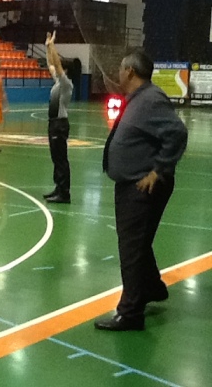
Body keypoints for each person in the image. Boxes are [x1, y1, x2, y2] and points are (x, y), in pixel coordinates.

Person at [94, 52, 188, 332]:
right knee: (139, 244)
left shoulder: (150, 99)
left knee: (131, 249)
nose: (118, 73)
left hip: (141, 186)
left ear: (130, 72)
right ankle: (152, 287)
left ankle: (130, 313)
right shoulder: (139, 99)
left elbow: (177, 133)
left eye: (121, 68)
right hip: (131, 184)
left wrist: (158, 171)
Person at [43, 32, 73, 204]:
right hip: (53, 124)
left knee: (61, 160)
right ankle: (58, 187)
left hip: (59, 125)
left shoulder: (66, 84)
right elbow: (50, 64)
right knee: (56, 158)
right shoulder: (58, 83)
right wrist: (48, 47)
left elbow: (56, 65)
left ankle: (64, 193)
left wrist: (53, 46)